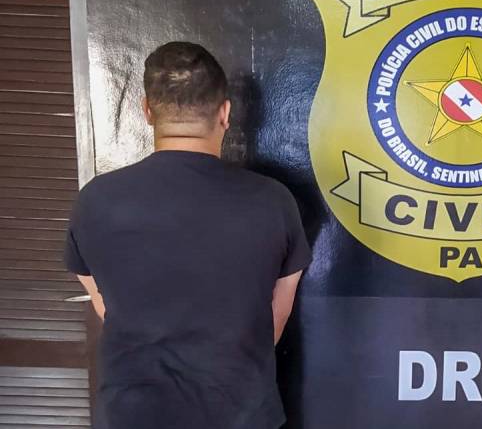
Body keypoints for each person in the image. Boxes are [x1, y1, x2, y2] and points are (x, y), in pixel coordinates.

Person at [64, 42, 311, 429]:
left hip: (132, 415)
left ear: (147, 110)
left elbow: (104, 303)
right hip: (239, 415)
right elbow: (275, 319)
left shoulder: (95, 199)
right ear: (225, 113)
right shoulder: (274, 201)